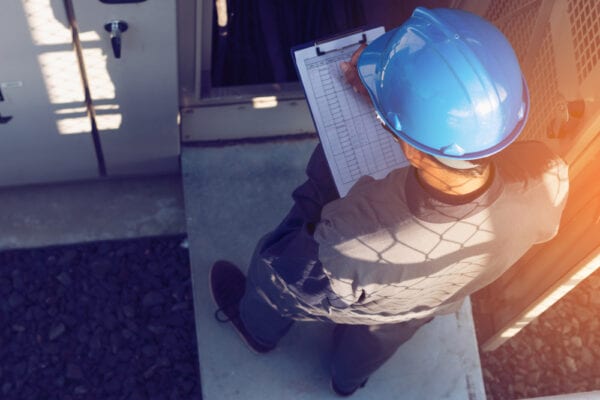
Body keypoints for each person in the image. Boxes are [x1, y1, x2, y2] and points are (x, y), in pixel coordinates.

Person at [209, 7, 569, 397]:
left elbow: (305, 256)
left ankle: (256, 330)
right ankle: (347, 380)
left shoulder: (355, 229)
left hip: (352, 278)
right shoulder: (548, 175)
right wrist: (395, 100)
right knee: (383, 333)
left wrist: (379, 107)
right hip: (429, 298)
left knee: (274, 276)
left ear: (413, 154)